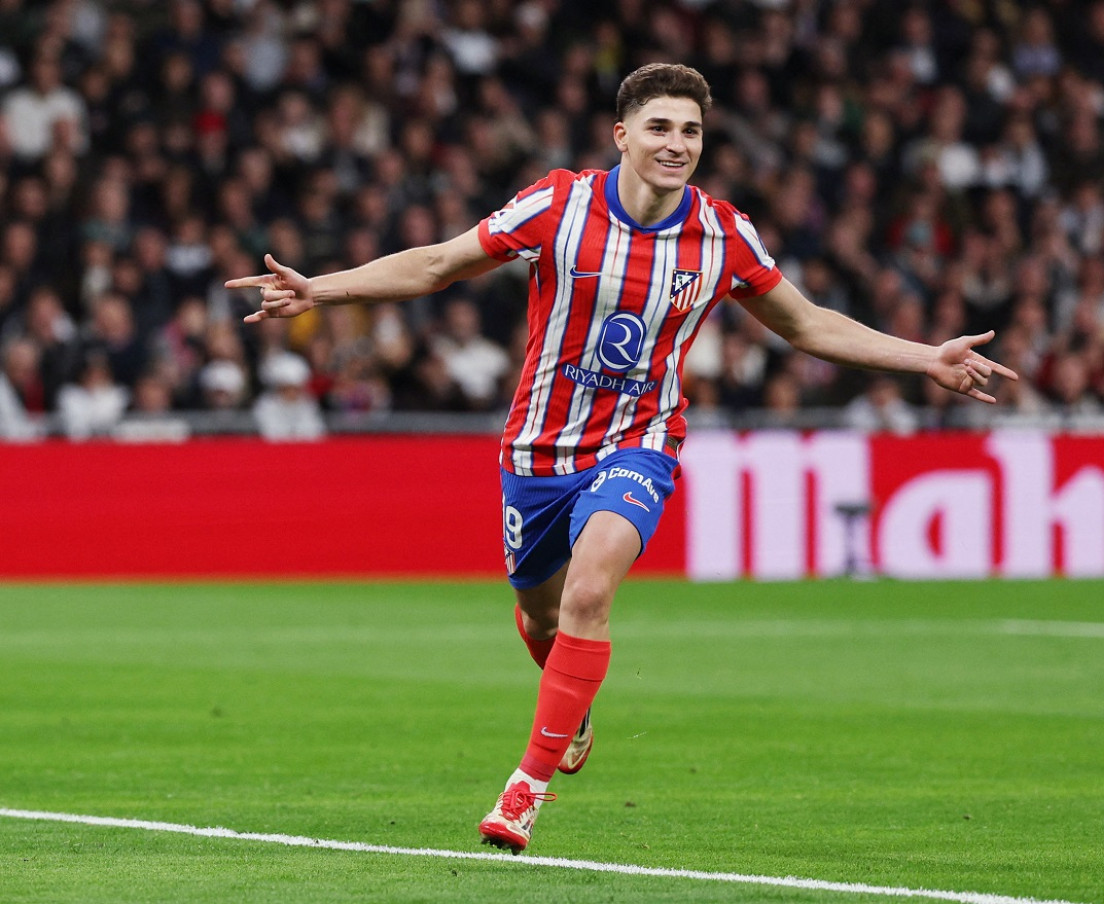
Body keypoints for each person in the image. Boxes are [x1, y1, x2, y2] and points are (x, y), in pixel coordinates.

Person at [227, 63, 1017, 854]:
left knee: (593, 581)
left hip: (641, 439)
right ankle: (569, 705)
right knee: (542, 612)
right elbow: (437, 263)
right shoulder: (558, 205)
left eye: (692, 131)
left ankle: (523, 791)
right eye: (662, 128)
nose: (677, 145)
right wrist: (321, 291)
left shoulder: (722, 233)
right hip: (538, 448)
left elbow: (806, 324)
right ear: (623, 136)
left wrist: (924, 359)